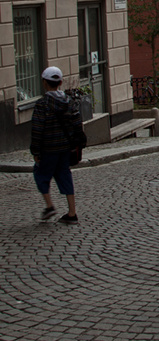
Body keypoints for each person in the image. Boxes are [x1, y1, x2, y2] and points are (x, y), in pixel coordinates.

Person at [30, 66, 84, 224]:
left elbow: (37, 129)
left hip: (48, 148)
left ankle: (49, 206)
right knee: (65, 175)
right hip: (65, 148)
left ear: (45, 83)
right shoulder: (69, 101)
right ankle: (72, 212)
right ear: (60, 82)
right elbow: (77, 124)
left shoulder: (42, 104)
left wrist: (35, 151)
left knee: (41, 174)